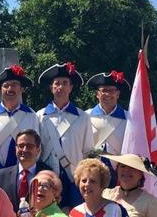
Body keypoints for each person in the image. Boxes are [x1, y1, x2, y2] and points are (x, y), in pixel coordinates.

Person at [37, 62, 94, 209]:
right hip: (48, 178)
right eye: (56, 83)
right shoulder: (39, 116)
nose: (60, 87)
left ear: (71, 87)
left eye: (64, 83)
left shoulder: (83, 117)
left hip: (74, 178)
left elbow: (88, 151)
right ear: (51, 88)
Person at [0, 65, 40, 171]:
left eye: (14, 85)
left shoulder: (31, 115)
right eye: (6, 86)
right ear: (1, 90)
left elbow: (37, 145)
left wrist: (27, 166)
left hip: (23, 171)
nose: (10, 89)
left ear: (21, 89)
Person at [85, 71, 130, 187]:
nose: (107, 94)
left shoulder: (128, 118)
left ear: (118, 94)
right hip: (91, 171)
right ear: (97, 94)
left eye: (111, 91)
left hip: (119, 173)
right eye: (104, 90)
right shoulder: (86, 116)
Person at [0, 129, 51, 211]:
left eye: (29, 146)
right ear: (16, 149)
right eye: (21, 146)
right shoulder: (2, 175)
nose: (24, 150)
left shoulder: (48, 175)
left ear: (38, 150)